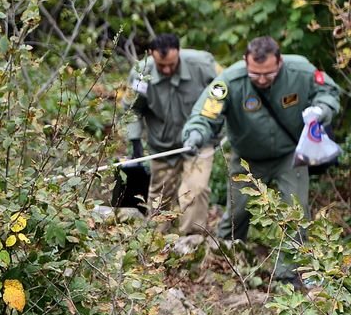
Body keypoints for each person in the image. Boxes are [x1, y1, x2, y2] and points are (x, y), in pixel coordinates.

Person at [182, 35, 341, 282]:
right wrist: (195, 134)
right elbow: (206, 112)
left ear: (279, 63)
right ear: (246, 63)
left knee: (296, 213)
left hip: (290, 156)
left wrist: (321, 109)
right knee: (237, 215)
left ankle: (288, 276)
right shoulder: (230, 80)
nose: (263, 80)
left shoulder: (300, 69)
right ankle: (226, 263)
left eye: (268, 74)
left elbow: (328, 91)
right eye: (256, 75)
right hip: (247, 159)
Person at [123, 33, 220, 234]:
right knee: (160, 198)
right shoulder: (141, 73)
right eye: (161, 66)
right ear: (151, 55)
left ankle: (190, 244)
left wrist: (217, 127)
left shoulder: (203, 65)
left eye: (171, 64)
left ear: (179, 53)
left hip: (198, 142)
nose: (167, 70)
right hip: (163, 145)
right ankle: (156, 248)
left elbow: (225, 93)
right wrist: (135, 141)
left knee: (195, 190)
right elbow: (132, 108)